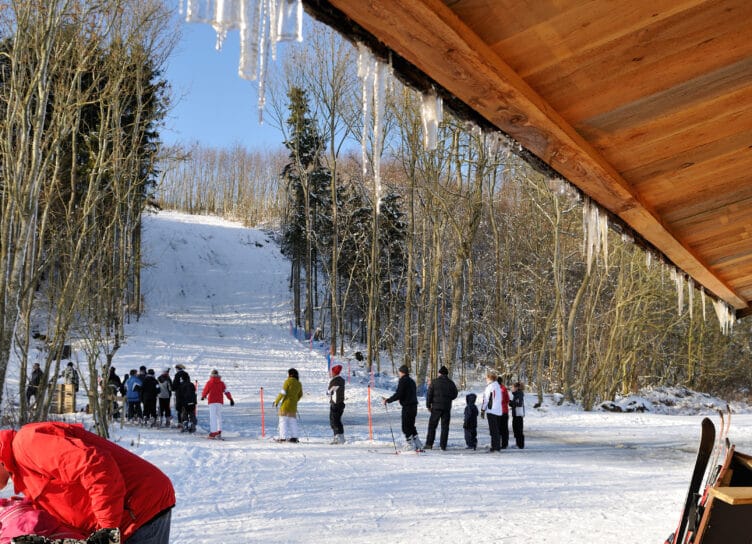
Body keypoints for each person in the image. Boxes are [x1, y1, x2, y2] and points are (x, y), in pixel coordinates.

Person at [0, 422, 175, 544]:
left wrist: (107, 530)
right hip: (124, 518)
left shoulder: (27, 443)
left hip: (141, 506)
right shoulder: (21, 472)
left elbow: (96, 466)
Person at [383, 365, 421, 451]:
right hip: (414, 406)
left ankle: (410, 444)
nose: (399, 374)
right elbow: (407, 393)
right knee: (411, 425)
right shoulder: (412, 381)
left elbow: (399, 393)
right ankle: (417, 443)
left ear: (402, 372)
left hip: (407, 406)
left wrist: (388, 400)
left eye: (399, 372)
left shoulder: (403, 381)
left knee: (405, 426)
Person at [424, 365, 458, 450]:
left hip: (435, 407)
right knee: (445, 427)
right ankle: (443, 445)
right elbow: (455, 394)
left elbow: (429, 394)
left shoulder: (434, 382)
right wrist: (449, 398)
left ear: (440, 373)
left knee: (432, 426)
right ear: (446, 374)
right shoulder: (451, 383)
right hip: (446, 408)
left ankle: (429, 444)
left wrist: (428, 405)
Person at [200, 369, 234, 439]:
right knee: (219, 416)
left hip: (212, 401)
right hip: (219, 402)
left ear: (211, 375)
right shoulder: (222, 383)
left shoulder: (209, 382)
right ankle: (219, 431)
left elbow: (206, 390)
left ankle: (213, 432)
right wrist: (230, 399)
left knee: (213, 417)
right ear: (218, 375)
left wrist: (203, 396)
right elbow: (226, 391)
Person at [273, 368, 303, 443]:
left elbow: (282, 393)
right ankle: (294, 437)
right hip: (293, 406)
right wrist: (295, 400)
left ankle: (283, 437)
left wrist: (276, 401)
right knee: (292, 422)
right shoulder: (299, 383)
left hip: (285, 405)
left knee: (283, 421)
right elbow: (300, 394)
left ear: (290, 374)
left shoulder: (287, 382)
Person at [480, 370, 502, 452]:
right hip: (498, 410)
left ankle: (495, 447)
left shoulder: (489, 387)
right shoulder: (498, 386)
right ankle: (497, 445)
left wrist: (482, 410)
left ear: (489, 378)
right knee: (496, 429)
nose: (485, 379)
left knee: (493, 430)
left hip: (491, 410)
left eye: (486, 378)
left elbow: (485, 399)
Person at [327, 364, 346, 444]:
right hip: (340, 402)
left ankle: (337, 437)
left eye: (332, 372)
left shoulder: (335, 381)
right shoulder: (341, 380)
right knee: (338, 420)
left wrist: (328, 392)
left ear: (335, 372)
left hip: (335, 403)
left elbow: (329, 391)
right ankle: (341, 437)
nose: (331, 373)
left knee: (334, 420)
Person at [510, 382, 525, 449]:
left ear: (516, 388)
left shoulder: (519, 394)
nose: (512, 389)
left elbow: (519, 403)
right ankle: (518, 443)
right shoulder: (516, 394)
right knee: (516, 429)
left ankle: (520, 445)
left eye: (513, 387)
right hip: (516, 414)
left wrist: (511, 403)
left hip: (518, 415)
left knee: (518, 429)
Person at [498, 376, 510, 449]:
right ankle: (505, 444)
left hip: (498, 411)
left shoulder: (495, 389)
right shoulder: (504, 389)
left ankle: (497, 443)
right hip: (505, 411)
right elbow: (507, 400)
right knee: (504, 429)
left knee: (498, 428)